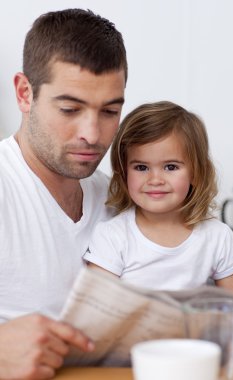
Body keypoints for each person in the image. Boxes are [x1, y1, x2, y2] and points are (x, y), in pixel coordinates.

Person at [85, 101, 233, 365]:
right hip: (130, 366)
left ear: (195, 172)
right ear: (124, 173)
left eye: (170, 167)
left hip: (196, 364)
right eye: (141, 167)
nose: (155, 179)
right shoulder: (112, 236)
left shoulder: (216, 236)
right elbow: (95, 316)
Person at [0, 8, 127, 379]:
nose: (92, 133)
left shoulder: (116, 200)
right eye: (70, 109)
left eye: (109, 111)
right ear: (25, 93)